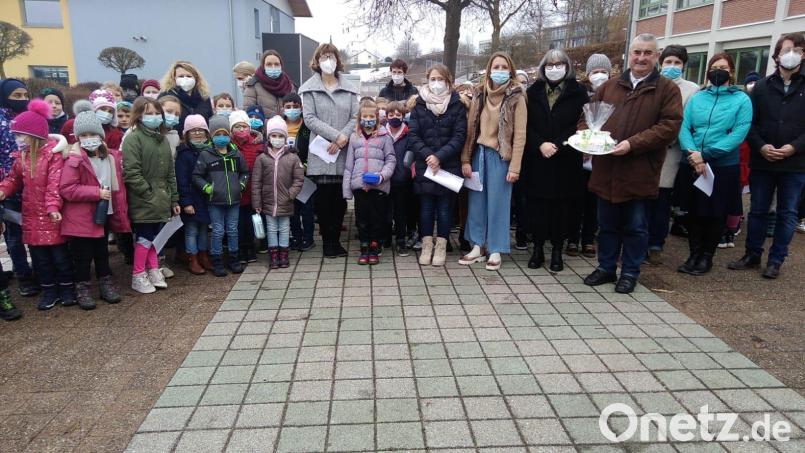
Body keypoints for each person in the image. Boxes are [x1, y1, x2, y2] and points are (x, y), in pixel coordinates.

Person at [580, 33, 683, 294]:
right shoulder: (611, 86)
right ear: (630, 55)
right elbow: (587, 116)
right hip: (607, 171)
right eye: (637, 52)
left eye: (648, 53)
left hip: (639, 171)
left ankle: (629, 272)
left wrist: (632, 144)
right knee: (607, 225)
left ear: (656, 56)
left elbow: (669, 127)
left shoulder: (666, 89)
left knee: (636, 227)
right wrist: (587, 136)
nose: (641, 57)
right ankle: (605, 268)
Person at [729, 33, 805, 279]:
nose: (791, 54)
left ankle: (776, 259)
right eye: (786, 50)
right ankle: (752, 254)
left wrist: (794, 147)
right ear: (776, 55)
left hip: (795, 163)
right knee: (758, 210)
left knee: (787, 213)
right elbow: (748, 124)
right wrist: (761, 146)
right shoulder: (761, 87)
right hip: (763, 161)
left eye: (796, 49)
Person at [675, 53, 752, 276]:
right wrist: (693, 154)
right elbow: (685, 126)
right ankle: (693, 254)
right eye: (714, 67)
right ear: (708, 71)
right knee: (694, 212)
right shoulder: (697, 98)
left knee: (715, 213)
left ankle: (706, 257)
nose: (719, 70)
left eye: (724, 67)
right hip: (693, 162)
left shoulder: (742, 100)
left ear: (732, 72)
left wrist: (705, 155)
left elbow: (738, 133)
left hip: (722, 165)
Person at [0, 100, 74, 310]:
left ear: (34, 136)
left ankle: (67, 289)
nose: (17, 140)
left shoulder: (53, 156)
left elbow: (54, 184)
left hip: (52, 216)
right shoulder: (21, 158)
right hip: (31, 216)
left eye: (20, 135)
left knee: (60, 257)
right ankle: (49, 290)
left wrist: (52, 207)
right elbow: (13, 179)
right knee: (40, 260)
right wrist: (3, 190)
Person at [522, 49, 588, 272]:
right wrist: (540, 143)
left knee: (561, 208)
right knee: (538, 207)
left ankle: (557, 250)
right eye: (549, 65)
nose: (554, 68)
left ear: (567, 66)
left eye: (559, 64)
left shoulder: (578, 92)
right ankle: (538, 249)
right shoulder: (533, 91)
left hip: (566, 158)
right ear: (543, 68)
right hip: (538, 158)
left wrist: (559, 143)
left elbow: (580, 123)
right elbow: (525, 123)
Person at [459, 51, 526, 271]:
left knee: (498, 203)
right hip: (479, 154)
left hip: (500, 157)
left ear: (510, 70)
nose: (499, 71)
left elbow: (520, 135)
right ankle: (478, 245)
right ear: (489, 70)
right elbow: (470, 130)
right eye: (495, 67)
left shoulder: (517, 96)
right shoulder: (479, 94)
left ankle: (496, 248)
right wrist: (465, 159)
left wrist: (514, 167)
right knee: (476, 202)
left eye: (503, 67)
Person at [59, 110, 129, 309]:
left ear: (101, 135)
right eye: (84, 136)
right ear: (77, 138)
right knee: (83, 255)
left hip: (104, 212)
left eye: (93, 135)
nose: (89, 139)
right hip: (82, 217)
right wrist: (95, 193)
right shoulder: (74, 160)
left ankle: (106, 284)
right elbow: (67, 189)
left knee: (102, 252)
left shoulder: (109, 157)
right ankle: (83, 288)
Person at [298, 43, 359, 258]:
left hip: (343, 150)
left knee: (340, 200)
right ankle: (327, 243)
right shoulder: (309, 89)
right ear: (316, 60)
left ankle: (336, 241)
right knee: (324, 201)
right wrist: (335, 136)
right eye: (324, 56)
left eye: (331, 56)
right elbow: (310, 119)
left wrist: (343, 138)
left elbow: (355, 116)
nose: (328, 60)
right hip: (321, 151)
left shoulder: (350, 88)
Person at [646, 44, 701, 265]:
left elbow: (689, 122)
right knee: (643, 199)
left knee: (662, 199)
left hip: (671, 152)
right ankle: (639, 240)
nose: (672, 66)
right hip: (647, 150)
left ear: (684, 65)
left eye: (677, 63)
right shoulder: (652, 84)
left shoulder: (691, 90)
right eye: (668, 62)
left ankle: (656, 243)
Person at [409, 64, 468, 266]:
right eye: (433, 79)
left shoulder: (456, 104)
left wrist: (440, 157)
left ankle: (441, 246)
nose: (436, 83)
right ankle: (427, 244)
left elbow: (459, 136)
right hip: (425, 165)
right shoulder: (418, 104)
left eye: (440, 79)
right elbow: (414, 135)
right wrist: (428, 156)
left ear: (448, 81)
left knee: (445, 208)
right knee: (425, 208)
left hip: (448, 164)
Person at [122, 98, 180, 293]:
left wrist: (173, 199)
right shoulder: (133, 138)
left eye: (157, 113)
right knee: (144, 237)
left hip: (162, 198)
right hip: (144, 199)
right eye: (149, 113)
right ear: (139, 115)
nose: (154, 117)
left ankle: (153, 269)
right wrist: (148, 193)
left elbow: (170, 172)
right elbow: (131, 172)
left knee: (157, 237)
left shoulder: (162, 139)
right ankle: (138, 274)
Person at [566, 54, 611, 259]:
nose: (599, 75)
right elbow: (576, 122)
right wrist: (585, 140)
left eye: (603, 71)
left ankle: (588, 239)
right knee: (576, 199)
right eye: (595, 72)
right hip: (580, 157)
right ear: (588, 73)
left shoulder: (613, 94)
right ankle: (573, 238)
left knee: (594, 202)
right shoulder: (579, 93)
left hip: (602, 159)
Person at [193, 115, 249, 277]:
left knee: (232, 230)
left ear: (229, 135)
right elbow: (197, 176)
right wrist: (207, 188)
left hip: (234, 200)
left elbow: (244, 172)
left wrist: (241, 185)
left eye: (224, 134)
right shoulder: (206, 154)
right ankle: (217, 261)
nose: (221, 137)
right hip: (215, 201)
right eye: (217, 134)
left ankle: (234, 259)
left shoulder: (235, 153)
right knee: (217, 231)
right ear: (211, 135)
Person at [343, 99, 396, 264]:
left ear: (377, 118)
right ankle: (364, 245)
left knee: (377, 217)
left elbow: (391, 160)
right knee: (362, 218)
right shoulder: (354, 137)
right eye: (364, 116)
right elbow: (349, 165)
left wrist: (382, 176)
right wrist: (347, 189)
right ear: (360, 119)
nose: (368, 119)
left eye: (371, 116)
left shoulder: (384, 137)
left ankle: (375, 245)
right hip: (360, 186)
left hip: (378, 185)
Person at [0, 79, 38, 296]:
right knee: (14, 236)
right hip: (9, 188)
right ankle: (23, 274)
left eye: (25, 95)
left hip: (32, 185)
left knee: (34, 230)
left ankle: (38, 271)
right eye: (17, 96)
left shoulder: (30, 120)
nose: (22, 100)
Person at [253, 116, 305, 268]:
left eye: (280, 136)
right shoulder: (262, 158)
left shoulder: (293, 158)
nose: (277, 139)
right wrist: (257, 202)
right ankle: (273, 255)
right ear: (268, 137)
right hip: (268, 201)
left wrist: (291, 194)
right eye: (274, 136)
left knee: (284, 228)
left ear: (285, 137)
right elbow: (256, 182)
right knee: (271, 228)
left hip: (285, 201)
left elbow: (299, 179)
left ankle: (284, 254)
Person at [175, 115, 212, 275]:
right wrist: (186, 202)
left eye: (200, 130)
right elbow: (181, 180)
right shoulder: (184, 154)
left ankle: (204, 255)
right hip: (191, 198)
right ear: (187, 134)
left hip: (207, 197)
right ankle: (193, 258)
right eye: (193, 130)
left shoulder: (211, 150)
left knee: (204, 229)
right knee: (191, 230)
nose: (197, 133)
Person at [228, 110, 264, 263]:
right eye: (237, 127)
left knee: (250, 221)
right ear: (231, 129)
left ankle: (250, 248)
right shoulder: (229, 146)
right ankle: (241, 249)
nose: (241, 130)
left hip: (252, 190)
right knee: (237, 223)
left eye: (244, 126)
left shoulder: (257, 145)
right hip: (235, 191)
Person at [282, 93, 314, 251]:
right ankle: (296, 236)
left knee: (307, 207)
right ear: (282, 109)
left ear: (301, 108)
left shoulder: (307, 126)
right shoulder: (279, 126)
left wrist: (307, 165)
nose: (292, 110)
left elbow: (313, 148)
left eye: (295, 107)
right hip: (286, 175)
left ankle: (308, 238)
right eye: (288, 107)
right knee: (292, 208)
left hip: (305, 174)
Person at [387, 100, 413, 256]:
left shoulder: (408, 134)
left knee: (401, 212)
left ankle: (401, 240)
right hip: (385, 180)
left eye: (398, 114)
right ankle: (385, 238)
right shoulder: (382, 133)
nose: (394, 117)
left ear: (403, 116)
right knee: (385, 212)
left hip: (402, 180)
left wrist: (406, 171)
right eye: (391, 114)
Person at [159, 61, 213, 131]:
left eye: (189, 76)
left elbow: (210, 119)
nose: (185, 79)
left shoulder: (204, 97)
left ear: (196, 78)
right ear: (174, 78)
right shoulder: (165, 96)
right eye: (181, 76)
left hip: (200, 139)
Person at [244, 50, 296, 118]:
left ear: (281, 65)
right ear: (263, 66)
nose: (273, 67)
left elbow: (295, 108)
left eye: (276, 64)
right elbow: (248, 112)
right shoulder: (254, 85)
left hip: (287, 127)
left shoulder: (288, 85)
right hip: (262, 127)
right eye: (269, 64)